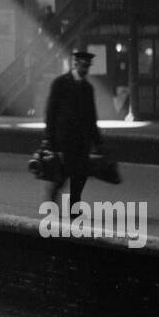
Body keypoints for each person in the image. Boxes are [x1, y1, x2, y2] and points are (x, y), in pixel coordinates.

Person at [44, 49, 103, 207]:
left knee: (80, 176)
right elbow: (51, 112)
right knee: (63, 174)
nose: (85, 70)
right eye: (83, 66)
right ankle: (53, 198)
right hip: (65, 139)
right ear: (75, 64)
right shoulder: (60, 83)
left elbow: (92, 117)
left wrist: (98, 142)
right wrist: (49, 139)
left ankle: (74, 207)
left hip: (82, 141)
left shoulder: (88, 88)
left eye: (87, 66)